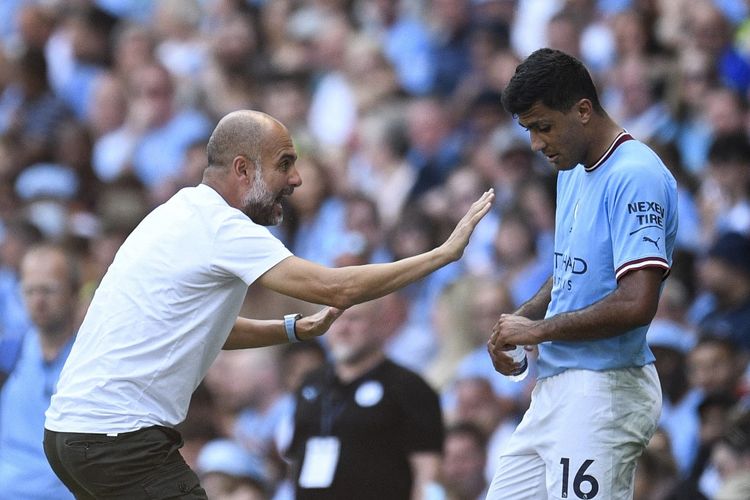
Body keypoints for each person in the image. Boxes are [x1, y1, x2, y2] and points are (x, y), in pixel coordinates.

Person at [43, 109, 493, 499]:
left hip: (70, 436)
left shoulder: (178, 212)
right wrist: (442, 254)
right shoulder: (225, 228)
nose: (296, 178)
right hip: (117, 440)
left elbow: (208, 330)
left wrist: (293, 329)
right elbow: (336, 288)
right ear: (243, 169)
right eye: (285, 164)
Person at [487, 48, 678, 499]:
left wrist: (537, 331)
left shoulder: (636, 174)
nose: (536, 143)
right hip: (556, 387)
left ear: (583, 110)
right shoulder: (571, 168)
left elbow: (637, 302)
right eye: (529, 130)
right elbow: (570, 271)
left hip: (604, 390)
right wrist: (521, 320)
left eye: (543, 126)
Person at [287, 299, 444, 500]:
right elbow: (295, 460)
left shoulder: (409, 387)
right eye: (334, 320)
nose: (343, 328)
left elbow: (428, 473)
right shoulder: (311, 384)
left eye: (354, 319)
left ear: (380, 323)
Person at [0, 244, 80, 499]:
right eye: (30, 291)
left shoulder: (90, 358)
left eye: (48, 290)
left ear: (74, 292)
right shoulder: (11, 351)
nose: (38, 301)